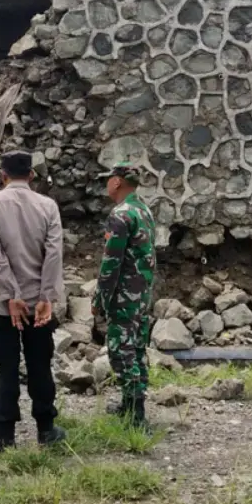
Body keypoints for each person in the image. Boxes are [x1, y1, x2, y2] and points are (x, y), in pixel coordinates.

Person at [0, 151, 67, 455]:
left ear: (2, 175)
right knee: (40, 366)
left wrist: (11, 295)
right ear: (31, 176)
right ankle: (46, 430)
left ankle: (4, 436)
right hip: (39, 305)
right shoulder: (48, 206)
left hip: (3, 305)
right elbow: (54, 255)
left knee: (7, 368)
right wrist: (45, 297)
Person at [92, 163, 157, 429]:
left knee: (121, 350)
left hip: (124, 295)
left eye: (108, 180)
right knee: (138, 347)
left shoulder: (121, 215)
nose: (106, 184)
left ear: (117, 182)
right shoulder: (144, 210)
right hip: (142, 293)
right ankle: (131, 404)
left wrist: (99, 301)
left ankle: (135, 414)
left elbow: (111, 263)